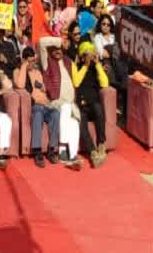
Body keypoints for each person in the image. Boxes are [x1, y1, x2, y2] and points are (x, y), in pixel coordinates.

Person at [18, 41, 81, 170]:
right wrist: (24, 66)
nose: (32, 64)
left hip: (47, 104)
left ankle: (52, 149)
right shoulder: (19, 71)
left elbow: (45, 88)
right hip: (36, 105)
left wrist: (44, 89)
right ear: (24, 60)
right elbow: (20, 85)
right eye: (29, 61)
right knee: (38, 111)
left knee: (56, 114)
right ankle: (37, 150)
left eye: (33, 61)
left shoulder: (38, 72)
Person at [73, 40, 110, 168]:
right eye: (87, 55)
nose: (89, 57)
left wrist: (98, 65)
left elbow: (105, 83)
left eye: (91, 54)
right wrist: (85, 66)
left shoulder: (96, 68)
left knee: (99, 108)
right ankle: (93, 153)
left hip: (94, 104)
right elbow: (76, 82)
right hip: (82, 105)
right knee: (81, 124)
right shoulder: (77, 67)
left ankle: (101, 144)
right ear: (82, 57)